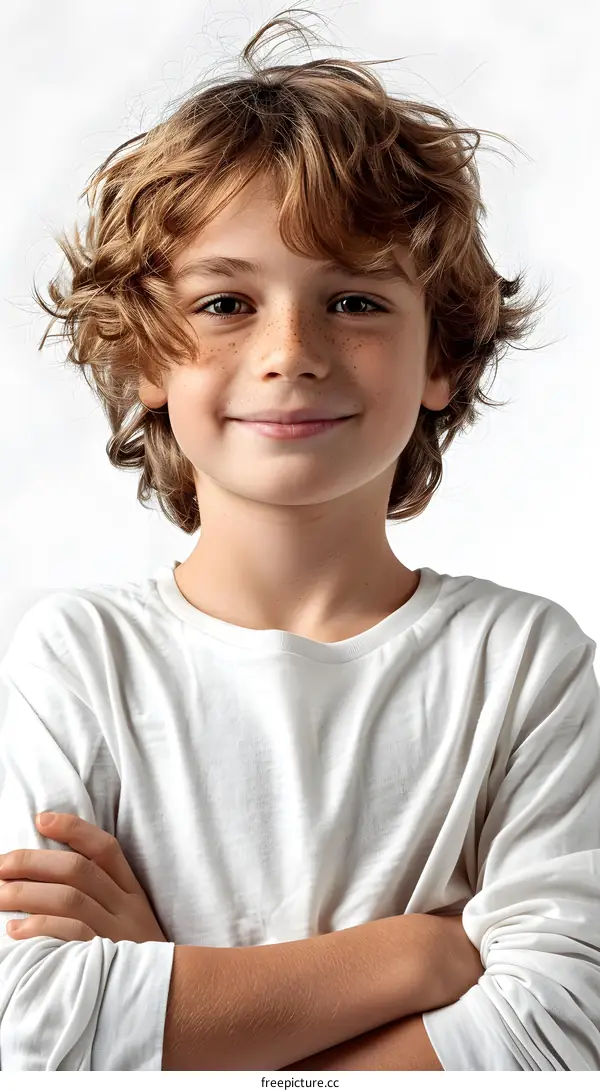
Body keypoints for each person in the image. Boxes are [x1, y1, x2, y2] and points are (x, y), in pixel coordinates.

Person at [1, 9, 599, 1073]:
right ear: (146, 357)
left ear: (441, 357)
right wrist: (422, 954)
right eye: (227, 300)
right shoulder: (70, 663)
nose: (292, 352)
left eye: (356, 299)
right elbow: (30, 1020)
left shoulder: (527, 666)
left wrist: (168, 1004)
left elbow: (559, 1026)